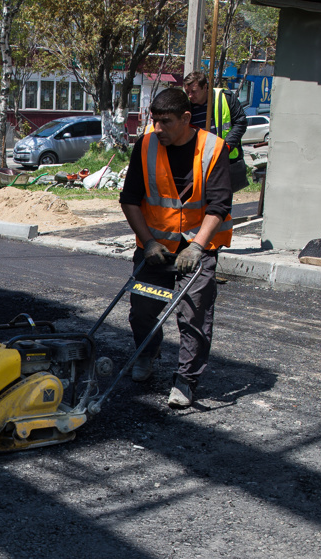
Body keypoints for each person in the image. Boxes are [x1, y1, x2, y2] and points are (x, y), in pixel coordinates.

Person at [119, 86, 233, 409]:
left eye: (165, 122)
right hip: (155, 246)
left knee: (194, 312)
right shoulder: (145, 146)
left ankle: (186, 378)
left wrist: (197, 246)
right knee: (142, 308)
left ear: (186, 118)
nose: (158, 128)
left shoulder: (213, 149)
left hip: (198, 246)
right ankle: (147, 352)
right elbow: (129, 200)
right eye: (154, 120)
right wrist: (150, 241)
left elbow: (219, 205)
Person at [183, 71, 250, 193]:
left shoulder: (225, 98)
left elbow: (240, 123)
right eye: (187, 92)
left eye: (194, 91)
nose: (190, 96)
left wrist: (226, 146)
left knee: (221, 201)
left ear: (205, 88)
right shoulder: (186, 106)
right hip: (198, 162)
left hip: (222, 161)